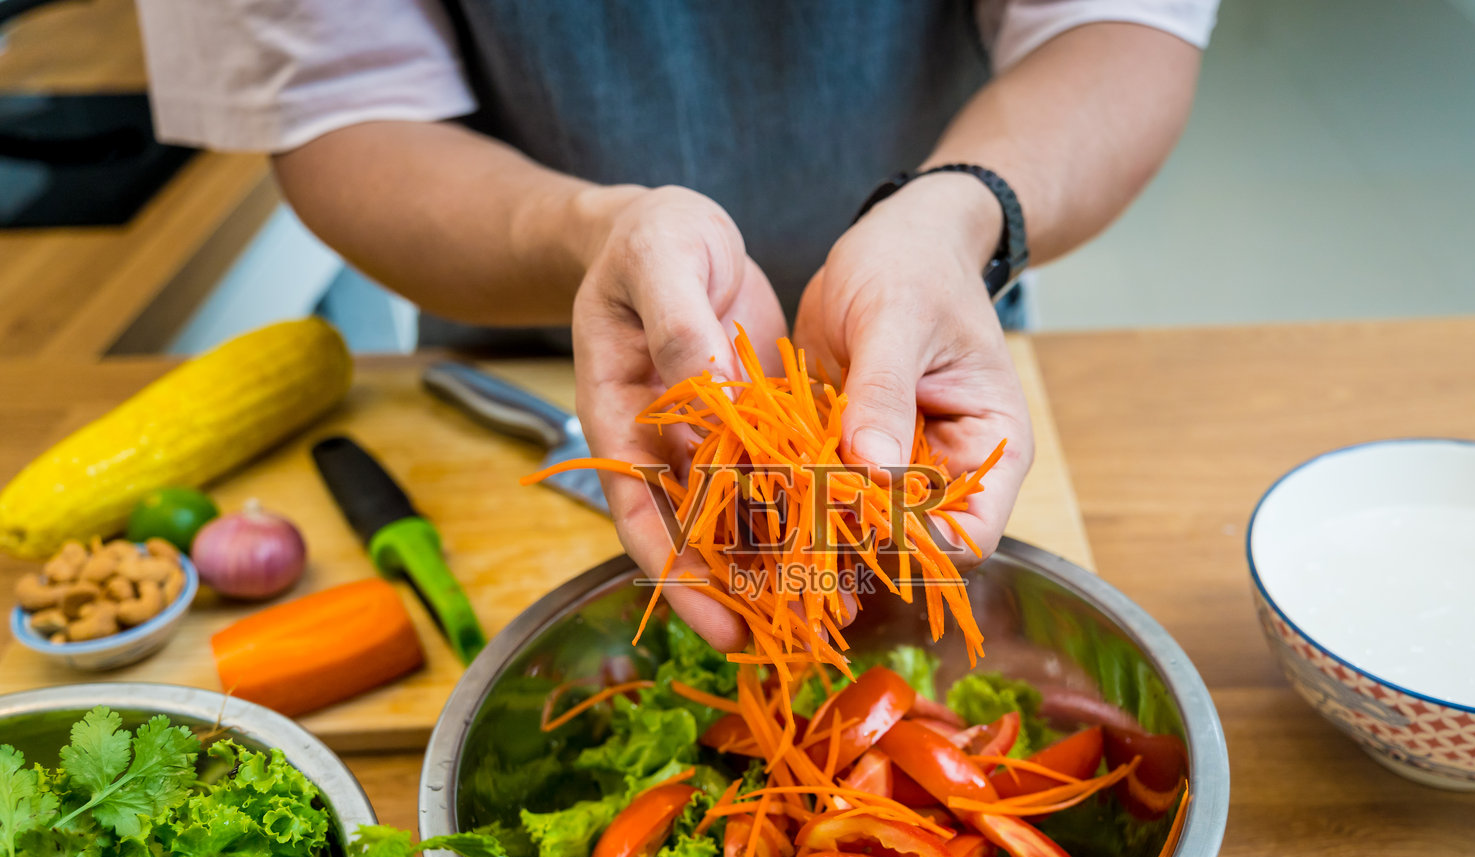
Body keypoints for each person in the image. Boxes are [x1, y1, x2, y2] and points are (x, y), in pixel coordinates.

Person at [134, 0, 1216, 648]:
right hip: (557, 333)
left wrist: (955, 214)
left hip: (936, 339)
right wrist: (587, 233)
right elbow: (336, 104)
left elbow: (1117, 27)